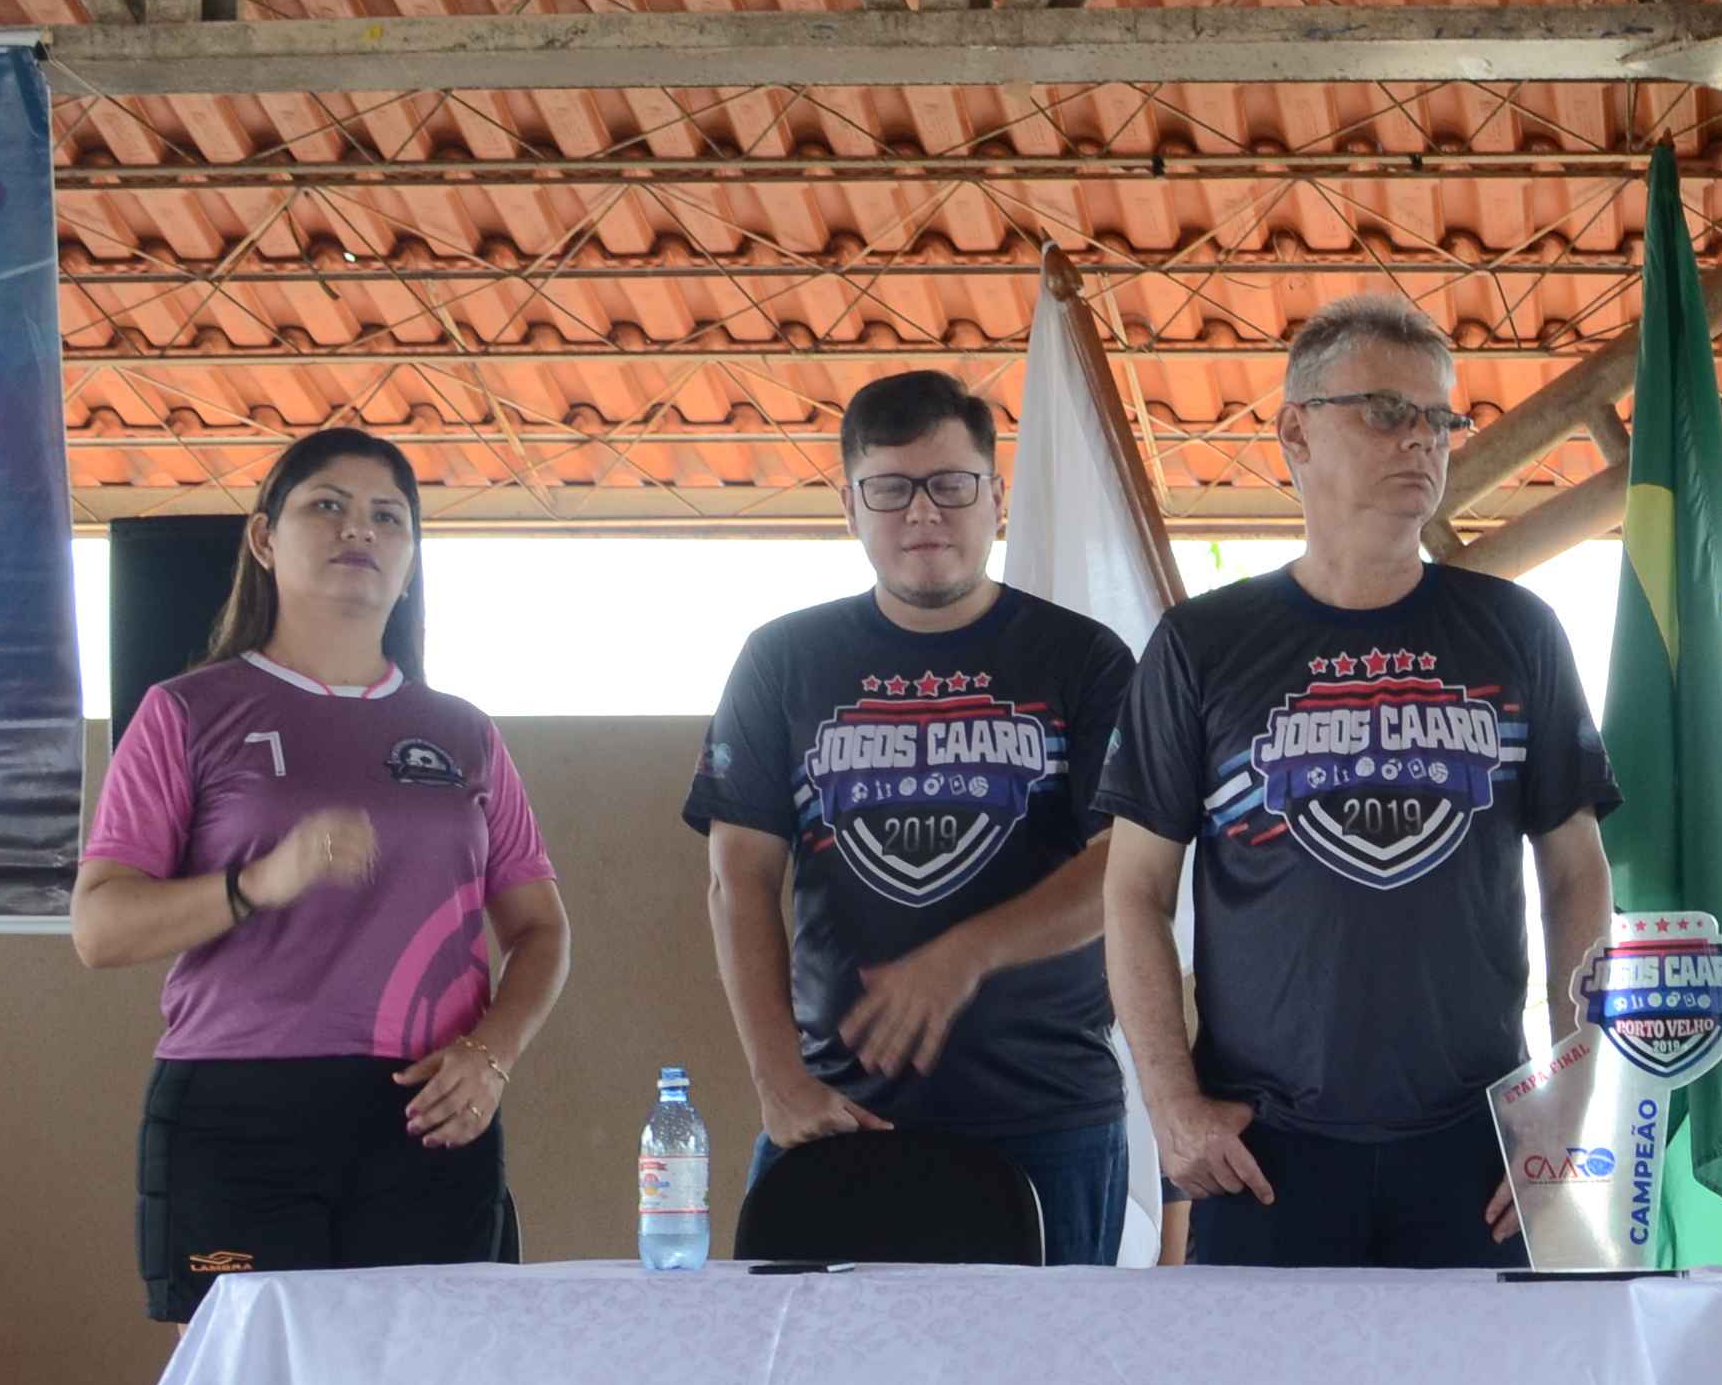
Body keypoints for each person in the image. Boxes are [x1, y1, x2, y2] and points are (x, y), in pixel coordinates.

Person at [1098, 294, 1615, 1268]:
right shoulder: (1202, 645)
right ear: (1295, 432)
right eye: (1386, 411)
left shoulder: (1518, 633)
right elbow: (1132, 891)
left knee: (1486, 1378)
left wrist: (1573, 1092)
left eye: (1440, 418)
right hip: (1264, 1151)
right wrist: (1170, 1105)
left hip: (1477, 1147)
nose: (1421, 439)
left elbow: (1577, 872)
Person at [72, 428, 570, 1321]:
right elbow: (99, 929)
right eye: (327, 506)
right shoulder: (187, 711)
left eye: (389, 517)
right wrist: (255, 883)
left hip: (428, 1115)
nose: (359, 529)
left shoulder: (464, 731)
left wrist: (492, 1055)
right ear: (264, 540)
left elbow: (541, 929)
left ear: (410, 565)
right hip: (239, 1116)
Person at [688, 369, 1136, 1264]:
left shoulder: (1084, 658)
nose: (922, 512)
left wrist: (967, 953)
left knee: (1051, 1362)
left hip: (1051, 1117)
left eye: (950, 485)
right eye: (889, 488)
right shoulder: (782, 660)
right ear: (849, 506)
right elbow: (738, 881)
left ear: (996, 497)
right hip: (840, 1114)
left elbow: (1127, 866)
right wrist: (778, 1082)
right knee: (806, 1358)